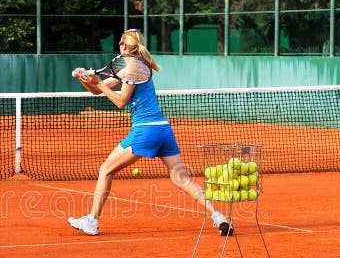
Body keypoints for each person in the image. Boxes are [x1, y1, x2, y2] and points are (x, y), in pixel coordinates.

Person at [68, 29, 232, 236]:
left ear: (125, 47)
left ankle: (92, 220)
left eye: (120, 43)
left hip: (146, 131)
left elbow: (120, 102)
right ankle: (218, 216)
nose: (119, 46)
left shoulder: (134, 69)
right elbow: (96, 91)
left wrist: (98, 81)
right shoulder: (136, 67)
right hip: (163, 130)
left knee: (106, 170)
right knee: (181, 178)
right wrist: (83, 77)